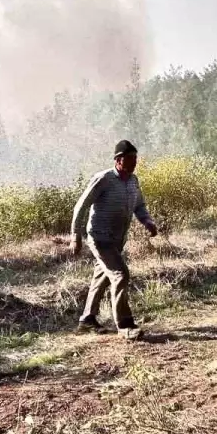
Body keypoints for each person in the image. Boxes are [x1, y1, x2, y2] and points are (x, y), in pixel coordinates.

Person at [70, 139, 158, 341]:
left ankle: (87, 320)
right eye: (130, 159)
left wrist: (147, 221)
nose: (134, 162)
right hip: (100, 238)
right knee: (120, 274)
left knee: (100, 278)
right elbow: (81, 206)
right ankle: (125, 326)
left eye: (135, 158)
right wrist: (75, 235)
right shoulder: (104, 179)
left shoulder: (133, 181)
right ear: (118, 160)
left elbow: (139, 205)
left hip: (118, 240)